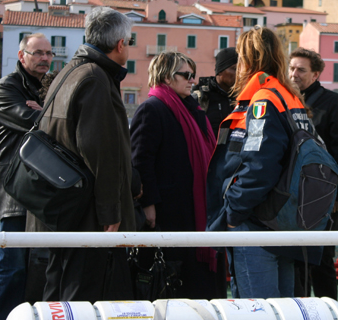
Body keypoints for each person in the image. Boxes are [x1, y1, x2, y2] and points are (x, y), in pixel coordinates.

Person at [29, 7, 135, 302]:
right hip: (85, 212)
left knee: (58, 289)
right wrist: (110, 211)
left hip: (63, 205)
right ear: (119, 44)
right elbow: (100, 150)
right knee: (81, 292)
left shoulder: (71, 71)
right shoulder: (95, 78)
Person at [206, 25, 316, 299]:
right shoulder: (290, 98)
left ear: (248, 61)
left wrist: (232, 214)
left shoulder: (262, 102)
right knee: (284, 310)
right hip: (284, 223)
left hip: (256, 223)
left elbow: (259, 165)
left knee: (256, 308)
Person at [130, 51, 222, 299]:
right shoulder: (152, 109)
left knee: (197, 286)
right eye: (186, 75)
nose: (192, 80)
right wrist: (148, 204)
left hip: (192, 212)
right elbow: (140, 160)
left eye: (193, 75)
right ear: (167, 77)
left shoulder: (193, 111)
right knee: (176, 284)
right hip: (168, 213)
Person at [0, 33, 51, 320]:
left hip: (41, 190)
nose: (45, 58)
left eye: (49, 54)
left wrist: (46, 111)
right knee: (12, 265)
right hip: (14, 191)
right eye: (38, 53)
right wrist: (49, 114)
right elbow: (30, 122)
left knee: (38, 265)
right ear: (21, 55)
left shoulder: (47, 89)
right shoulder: (7, 87)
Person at [289, 47, 338, 300]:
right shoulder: (286, 100)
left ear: (315, 74)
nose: (294, 74)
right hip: (293, 198)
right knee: (296, 261)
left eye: (301, 70)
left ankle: (329, 312)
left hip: (326, 197)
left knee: (322, 259)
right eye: (292, 68)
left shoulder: (333, 103)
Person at [192, 47, 238, 135]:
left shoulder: (243, 96)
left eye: (241, 69)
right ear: (220, 71)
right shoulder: (200, 97)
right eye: (234, 69)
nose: (240, 73)